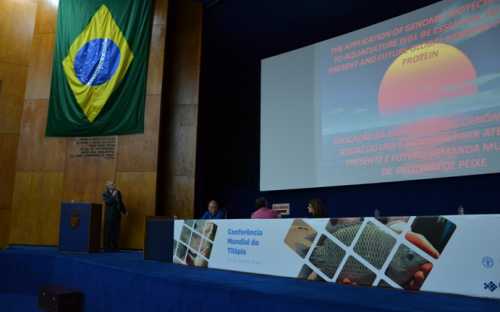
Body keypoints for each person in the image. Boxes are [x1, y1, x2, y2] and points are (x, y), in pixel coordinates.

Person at [102, 181, 126, 251]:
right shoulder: (105, 194)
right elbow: (108, 202)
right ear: (108, 186)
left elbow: (121, 202)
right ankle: (107, 247)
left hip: (117, 214)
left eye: (113, 184)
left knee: (116, 231)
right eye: (112, 184)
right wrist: (113, 195)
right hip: (109, 215)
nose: (114, 185)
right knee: (108, 231)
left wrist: (124, 211)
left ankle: (115, 247)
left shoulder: (118, 192)